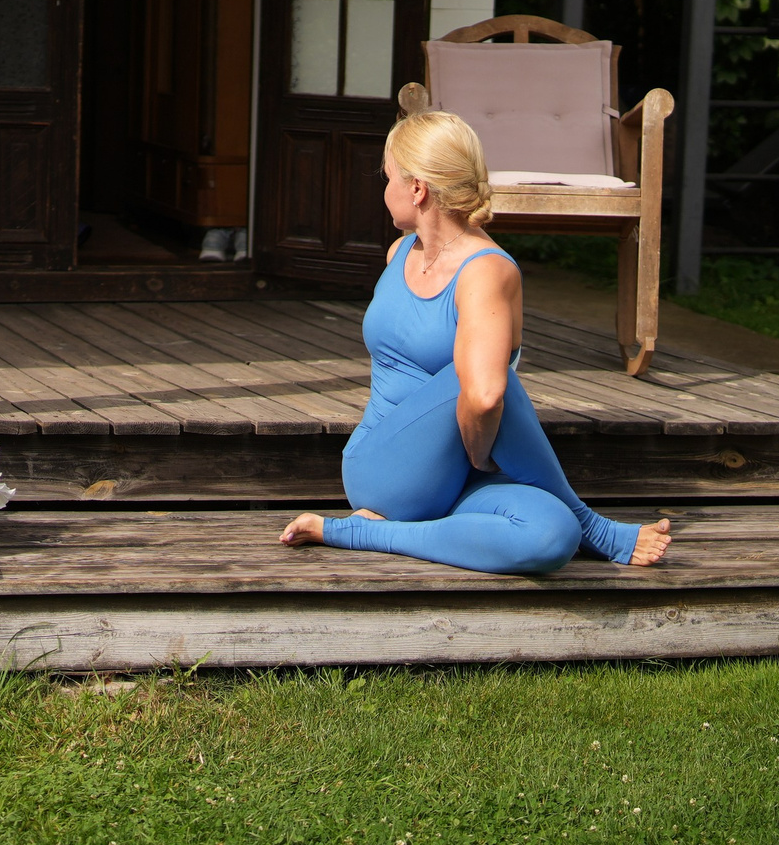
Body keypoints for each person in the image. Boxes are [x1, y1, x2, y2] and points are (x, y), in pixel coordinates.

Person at [276, 110, 673, 573]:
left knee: (550, 535)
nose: (385, 192)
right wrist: (481, 450)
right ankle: (593, 525)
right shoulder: (399, 253)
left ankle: (364, 531)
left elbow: (484, 400)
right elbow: (484, 395)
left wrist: (475, 452)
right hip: (387, 471)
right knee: (488, 376)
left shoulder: (485, 269)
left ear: (417, 188)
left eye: (388, 180)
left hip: (457, 479)